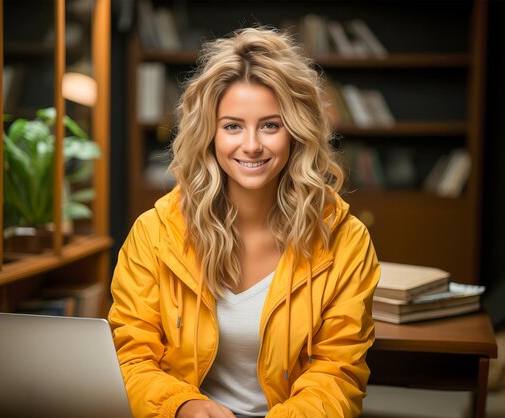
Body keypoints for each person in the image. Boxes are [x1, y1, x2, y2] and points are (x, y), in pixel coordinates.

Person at [108, 26, 380, 418]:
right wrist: (182, 406)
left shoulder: (345, 240)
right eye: (233, 125)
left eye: (270, 125)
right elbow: (131, 357)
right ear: (210, 134)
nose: (251, 145)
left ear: (296, 132)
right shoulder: (154, 234)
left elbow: (337, 374)